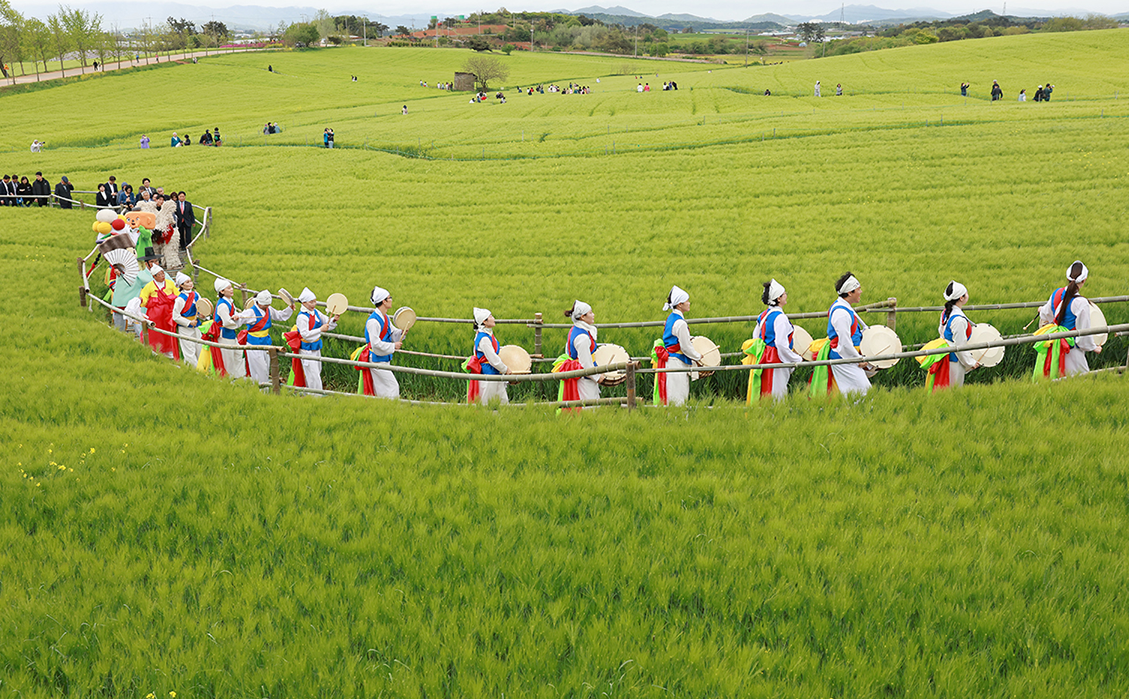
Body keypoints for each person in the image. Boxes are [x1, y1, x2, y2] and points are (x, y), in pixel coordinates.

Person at [1035, 261, 1101, 378]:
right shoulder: (1081, 303)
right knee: (1081, 383)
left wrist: (1042, 310)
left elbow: (1046, 315)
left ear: (1067, 278)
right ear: (1084, 280)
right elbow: (1084, 332)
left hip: (1054, 346)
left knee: (1054, 383)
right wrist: (1094, 347)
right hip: (1071, 350)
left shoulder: (1056, 293)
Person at [811, 272, 871, 397]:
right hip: (844, 357)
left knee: (854, 393)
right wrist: (858, 359)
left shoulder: (844, 307)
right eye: (858, 289)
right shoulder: (841, 313)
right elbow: (844, 342)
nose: (861, 291)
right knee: (864, 392)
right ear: (850, 293)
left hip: (846, 357)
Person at [746, 279, 803, 402]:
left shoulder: (763, 315)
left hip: (763, 359)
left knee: (765, 391)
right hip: (776, 360)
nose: (786, 295)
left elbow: (755, 337)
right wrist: (794, 358)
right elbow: (781, 344)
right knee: (777, 393)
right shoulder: (780, 318)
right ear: (778, 299)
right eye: (784, 294)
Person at [652, 286, 702, 407]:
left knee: (671, 396)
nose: (689, 303)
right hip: (676, 363)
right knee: (678, 397)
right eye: (687, 301)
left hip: (669, 361)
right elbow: (685, 347)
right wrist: (698, 356)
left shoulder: (671, 318)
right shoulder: (680, 323)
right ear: (680, 304)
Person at [925, 281, 979, 391]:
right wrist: (971, 362)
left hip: (944, 355)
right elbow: (960, 345)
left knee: (942, 386)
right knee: (953, 388)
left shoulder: (946, 312)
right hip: (953, 359)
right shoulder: (958, 320)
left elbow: (941, 332)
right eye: (966, 293)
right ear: (961, 298)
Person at [241, 290, 294, 384]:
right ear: (258, 302)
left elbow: (280, 315)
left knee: (265, 367)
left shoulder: (269, 309)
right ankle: (260, 390)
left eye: (268, 304)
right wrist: (236, 317)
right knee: (259, 369)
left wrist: (289, 308)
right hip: (254, 344)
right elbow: (241, 317)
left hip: (266, 341)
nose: (267, 307)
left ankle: (264, 390)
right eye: (265, 305)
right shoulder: (251, 312)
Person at [554, 300, 601, 406]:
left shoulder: (575, 329)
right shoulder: (582, 338)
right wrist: (598, 377)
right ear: (583, 317)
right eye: (590, 313)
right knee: (589, 407)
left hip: (582, 377)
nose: (593, 315)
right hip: (584, 380)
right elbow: (586, 364)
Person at [291, 287, 338, 391]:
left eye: (315, 301)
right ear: (303, 303)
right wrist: (320, 330)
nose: (314, 304)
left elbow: (326, 322)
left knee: (317, 370)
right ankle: (315, 395)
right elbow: (305, 334)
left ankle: (312, 393)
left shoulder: (315, 312)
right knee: (312, 374)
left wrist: (333, 320)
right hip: (306, 349)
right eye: (311, 302)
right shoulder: (302, 317)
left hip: (315, 347)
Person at [363, 286, 405, 399]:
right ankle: (392, 409)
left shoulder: (385, 317)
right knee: (392, 386)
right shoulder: (373, 321)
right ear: (383, 301)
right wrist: (393, 345)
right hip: (377, 358)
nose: (391, 299)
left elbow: (392, 332)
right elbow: (375, 343)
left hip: (383, 357)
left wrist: (402, 332)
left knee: (382, 388)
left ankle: (383, 409)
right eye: (389, 297)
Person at [465, 307, 511, 405]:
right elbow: (493, 359)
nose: (493, 318)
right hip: (489, 373)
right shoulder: (484, 339)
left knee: (501, 402)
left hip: (494, 371)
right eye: (491, 316)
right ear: (484, 321)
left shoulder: (487, 334)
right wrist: (505, 369)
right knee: (489, 402)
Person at [139, 264, 180, 359]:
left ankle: (170, 350)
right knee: (155, 332)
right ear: (154, 276)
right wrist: (140, 300)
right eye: (160, 274)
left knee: (169, 330)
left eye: (163, 273)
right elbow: (144, 297)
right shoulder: (149, 286)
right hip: (155, 313)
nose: (163, 276)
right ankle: (155, 349)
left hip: (168, 311)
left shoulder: (170, 283)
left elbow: (177, 294)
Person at [213, 278, 246, 379]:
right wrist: (238, 323)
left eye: (231, 287)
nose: (231, 289)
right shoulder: (222, 305)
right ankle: (230, 378)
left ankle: (240, 376)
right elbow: (227, 322)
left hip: (231, 334)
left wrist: (237, 316)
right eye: (228, 288)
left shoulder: (230, 302)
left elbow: (233, 314)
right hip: (224, 334)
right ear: (222, 291)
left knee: (238, 354)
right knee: (228, 358)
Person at [172, 272, 202, 367]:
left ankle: (202, 368)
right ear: (181, 285)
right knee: (189, 350)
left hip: (197, 325)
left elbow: (201, 307)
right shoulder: (180, 299)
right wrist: (189, 322)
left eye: (190, 281)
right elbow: (175, 316)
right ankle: (195, 371)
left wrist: (202, 315)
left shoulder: (196, 294)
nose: (190, 283)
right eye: (187, 282)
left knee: (200, 348)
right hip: (185, 328)